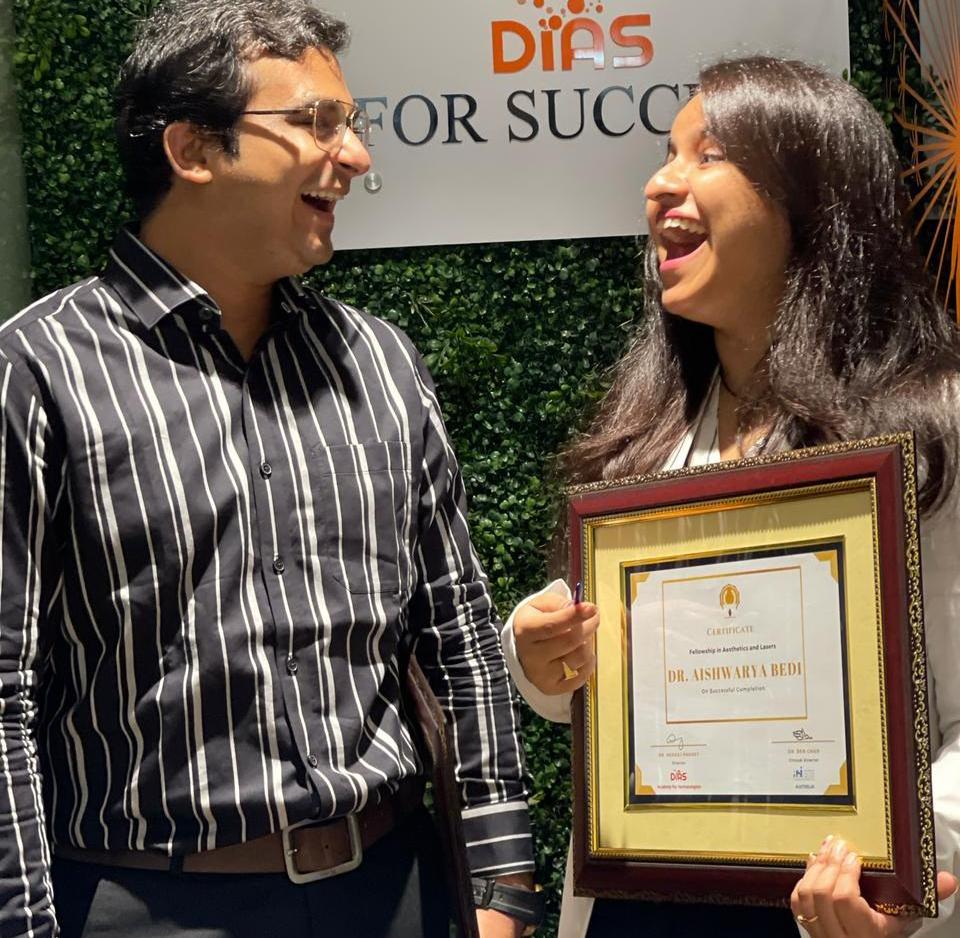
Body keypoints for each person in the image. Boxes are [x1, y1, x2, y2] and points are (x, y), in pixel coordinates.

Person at [0, 2, 543, 936]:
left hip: (397, 888)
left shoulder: (380, 360)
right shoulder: (38, 368)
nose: (356, 155)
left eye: (351, 124)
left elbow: (457, 633)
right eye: (316, 122)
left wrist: (504, 886)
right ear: (191, 148)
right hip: (147, 904)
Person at [501, 56, 960, 938]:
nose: (659, 185)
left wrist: (904, 872)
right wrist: (540, 653)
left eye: (708, 156)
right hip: (643, 898)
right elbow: (599, 679)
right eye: (667, 155)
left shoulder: (932, 424)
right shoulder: (650, 430)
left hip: (824, 911)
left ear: (810, 199)